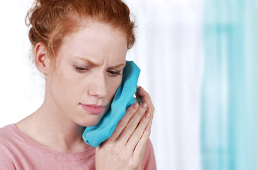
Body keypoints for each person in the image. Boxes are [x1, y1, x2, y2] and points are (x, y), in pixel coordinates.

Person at [0, 0, 156, 169]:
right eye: (82, 68)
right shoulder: (7, 154)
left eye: (113, 72)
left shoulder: (130, 148)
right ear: (43, 59)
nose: (101, 90)